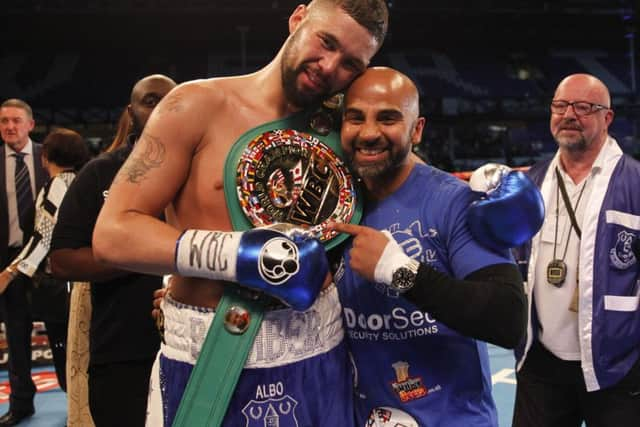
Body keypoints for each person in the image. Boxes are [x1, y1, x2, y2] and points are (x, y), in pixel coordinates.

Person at [92, 1, 388, 425]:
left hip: (321, 353)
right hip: (209, 356)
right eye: (326, 42)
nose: (329, 67)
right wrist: (240, 256)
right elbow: (113, 234)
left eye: (350, 64)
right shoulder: (195, 104)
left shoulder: (347, 127)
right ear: (298, 17)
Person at [329, 67, 528, 426]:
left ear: (416, 130)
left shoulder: (454, 203)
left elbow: (508, 317)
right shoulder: (333, 204)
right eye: (355, 118)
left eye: (387, 118)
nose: (369, 132)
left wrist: (399, 271)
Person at [512, 73, 640, 427]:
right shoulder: (529, 184)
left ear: (607, 117)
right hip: (540, 363)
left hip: (617, 367)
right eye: (560, 105)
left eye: (584, 107)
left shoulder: (635, 183)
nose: (570, 114)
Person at [49, 74, 177, 427]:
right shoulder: (100, 173)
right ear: (131, 112)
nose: (162, 108)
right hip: (122, 350)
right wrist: (137, 253)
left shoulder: (204, 171)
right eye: (150, 101)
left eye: (172, 101)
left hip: (196, 347)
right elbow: (60, 260)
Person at [0, 127, 89, 397]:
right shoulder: (83, 181)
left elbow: (45, 236)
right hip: (81, 280)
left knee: (68, 357)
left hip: (62, 285)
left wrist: (11, 272)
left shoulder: (57, 185)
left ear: (45, 156)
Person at [0, 98, 48, 426]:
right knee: (16, 337)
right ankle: (21, 404)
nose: (10, 126)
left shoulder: (51, 157)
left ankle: (77, 399)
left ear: (30, 124)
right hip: (8, 262)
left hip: (49, 262)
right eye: (4, 121)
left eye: (16, 120)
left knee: (59, 335)